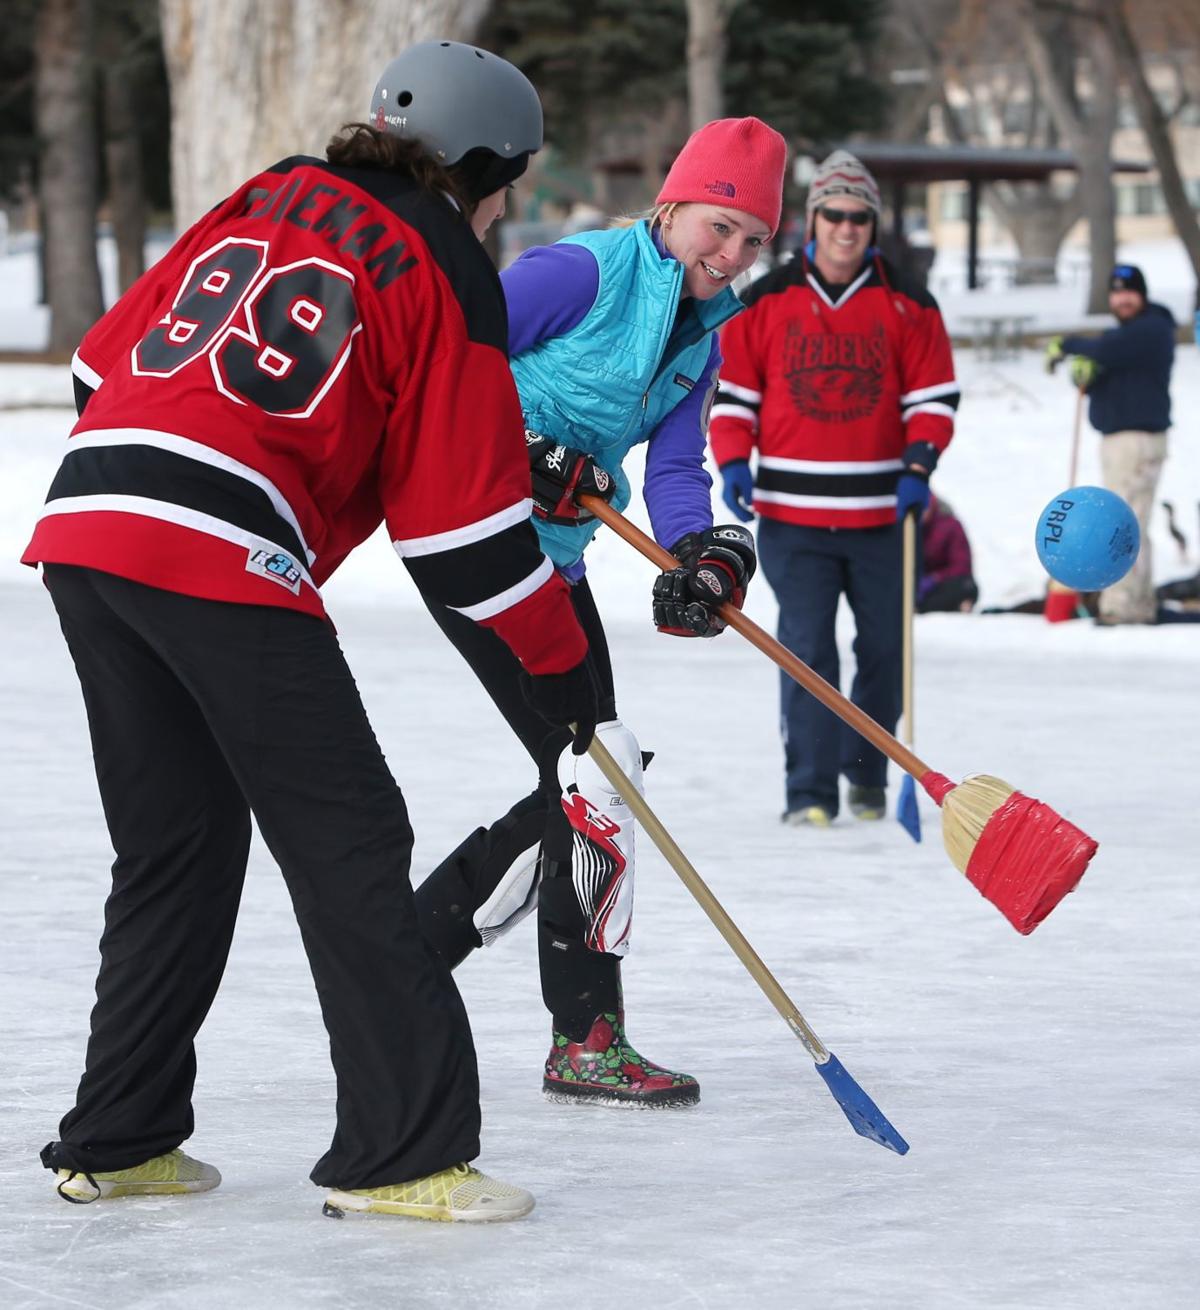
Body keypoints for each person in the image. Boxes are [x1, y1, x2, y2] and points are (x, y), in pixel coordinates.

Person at [22, 40, 601, 1224]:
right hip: (215, 556)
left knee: (175, 842)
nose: (504, 209)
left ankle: (120, 1135)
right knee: (350, 838)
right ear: (483, 166)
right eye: (511, 183)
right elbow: (468, 550)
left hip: (88, 525)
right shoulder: (448, 262)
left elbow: (100, 365)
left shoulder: (266, 190)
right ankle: (405, 1152)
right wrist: (569, 678)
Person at [413, 117, 788, 1106]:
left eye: (754, 240)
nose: (733, 255)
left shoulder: (706, 330)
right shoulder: (583, 271)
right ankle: (432, 975)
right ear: (673, 206)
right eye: (721, 227)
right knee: (591, 773)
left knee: (597, 771)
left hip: (557, 553)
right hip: (472, 532)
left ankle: (511, 1000)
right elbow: (450, 355)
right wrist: (521, 444)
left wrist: (700, 550)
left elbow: (672, 464)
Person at [708, 149, 958, 827]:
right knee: (808, 651)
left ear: (872, 224)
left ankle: (867, 774)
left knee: (882, 650)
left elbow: (933, 399)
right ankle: (811, 791)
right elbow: (733, 395)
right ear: (811, 220)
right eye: (834, 215)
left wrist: (917, 466)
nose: (847, 229)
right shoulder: (765, 301)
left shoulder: (909, 302)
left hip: (883, 514)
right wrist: (733, 461)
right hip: (793, 516)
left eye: (859, 217)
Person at [1045, 263, 1175, 625]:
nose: (1123, 299)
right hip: (1121, 441)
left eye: (1129, 291)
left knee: (1122, 524)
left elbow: (1108, 349)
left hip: (1137, 440)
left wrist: (1068, 345)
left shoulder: (1152, 329)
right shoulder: (1124, 341)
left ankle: (1123, 606)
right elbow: (1107, 361)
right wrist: (1087, 377)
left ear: (1143, 295)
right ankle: (1137, 601)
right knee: (1134, 520)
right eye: (1116, 292)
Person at [917, 492, 978, 613]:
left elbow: (962, 565)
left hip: (950, 581)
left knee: (964, 587)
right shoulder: (911, 529)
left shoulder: (950, 526)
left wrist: (935, 578)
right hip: (922, 587)